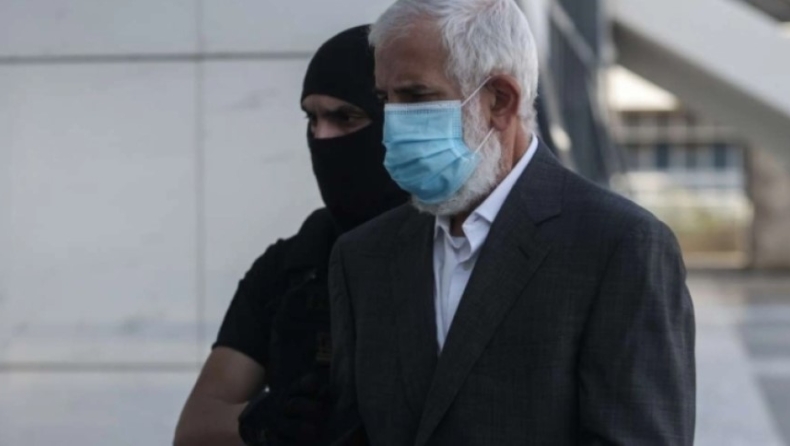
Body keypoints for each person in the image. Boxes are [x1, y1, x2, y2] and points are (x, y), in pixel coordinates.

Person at [329, 1, 696, 445]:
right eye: (385, 99)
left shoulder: (620, 247)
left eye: (416, 96)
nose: (394, 122)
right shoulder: (363, 256)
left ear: (500, 100)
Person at [174, 25, 407, 446]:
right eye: (311, 118)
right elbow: (195, 426)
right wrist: (260, 420)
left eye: (345, 117)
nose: (322, 137)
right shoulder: (294, 265)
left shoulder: (453, 251)